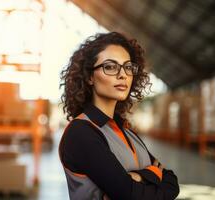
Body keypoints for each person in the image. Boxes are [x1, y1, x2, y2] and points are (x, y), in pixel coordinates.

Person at [58, 31, 179, 200]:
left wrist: (140, 176)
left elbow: (172, 182)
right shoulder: (81, 133)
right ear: (89, 77)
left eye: (128, 67)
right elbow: (130, 195)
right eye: (110, 66)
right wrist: (154, 174)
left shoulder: (125, 130)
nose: (122, 74)